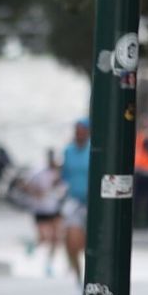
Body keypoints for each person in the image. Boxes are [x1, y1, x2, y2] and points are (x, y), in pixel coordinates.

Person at [23, 150, 66, 277]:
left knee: (55, 238)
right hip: (41, 209)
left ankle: (49, 264)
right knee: (44, 238)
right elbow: (25, 185)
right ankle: (33, 245)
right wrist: (35, 192)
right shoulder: (39, 172)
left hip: (55, 208)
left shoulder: (60, 173)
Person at [60, 118, 92, 284]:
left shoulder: (93, 150)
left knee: (87, 243)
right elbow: (64, 175)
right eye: (76, 130)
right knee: (71, 242)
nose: (79, 134)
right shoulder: (68, 151)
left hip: (92, 202)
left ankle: (91, 278)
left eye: (82, 130)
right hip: (74, 200)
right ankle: (78, 280)